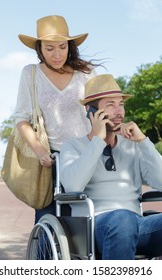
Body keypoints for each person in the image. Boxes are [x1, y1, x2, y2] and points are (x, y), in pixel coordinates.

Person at [59, 74, 162, 260]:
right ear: (91, 112)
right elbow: (73, 186)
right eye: (110, 105)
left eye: (121, 104)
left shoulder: (132, 146)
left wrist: (143, 141)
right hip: (94, 227)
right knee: (122, 219)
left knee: (126, 220)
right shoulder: (72, 146)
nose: (119, 111)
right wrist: (97, 141)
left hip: (137, 224)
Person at [13, 15, 99, 224]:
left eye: (62, 46)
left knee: (88, 222)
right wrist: (41, 153)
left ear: (69, 45)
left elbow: (99, 110)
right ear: (39, 49)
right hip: (52, 160)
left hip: (86, 153)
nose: (57, 54)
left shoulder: (85, 72)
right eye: (49, 48)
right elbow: (21, 118)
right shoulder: (31, 73)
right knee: (48, 221)